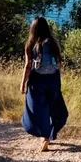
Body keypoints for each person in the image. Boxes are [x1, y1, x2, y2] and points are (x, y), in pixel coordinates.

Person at [20, 16, 68, 151]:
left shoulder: (30, 44)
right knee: (53, 107)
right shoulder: (53, 42)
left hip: (37, 81)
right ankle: (50, 134)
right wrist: (58, 82)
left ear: (33, 29)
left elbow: (28, 65)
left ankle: (45, 137)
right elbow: (59, 64)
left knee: (37, 109)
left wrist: (23, 83)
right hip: (53, 80)